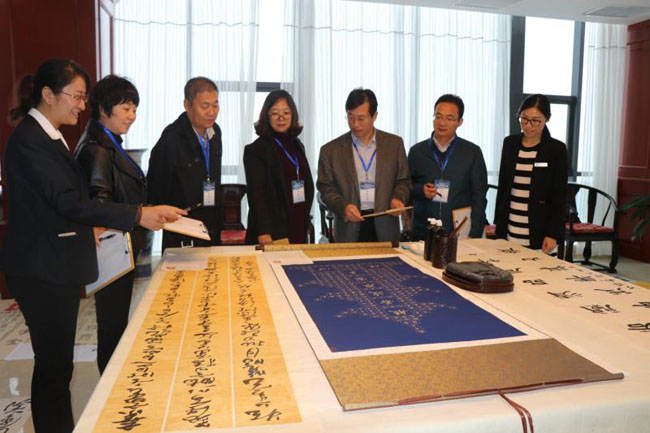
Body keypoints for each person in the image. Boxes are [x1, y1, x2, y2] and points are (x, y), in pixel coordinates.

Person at [0, 59, 185, 433]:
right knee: (54, 368)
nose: (82, 105)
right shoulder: (31, 140)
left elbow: (64, 202)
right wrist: (138, 214)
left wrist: (98, 223)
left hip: (56, 263)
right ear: (48, 94)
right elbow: (67, 201)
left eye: (84, 97)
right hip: (43, 269)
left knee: (57, 366)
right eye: (77, 96)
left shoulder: (51, 136)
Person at [73, 75, 147, 374]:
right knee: (112, 327)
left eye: (134, 109)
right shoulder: (97, 148)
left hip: (120, 247)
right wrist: (142, 213)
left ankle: (114, 381)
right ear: (104, 108)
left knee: (115, 325)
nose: (132, 116)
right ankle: (111, 386)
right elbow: (98, 207)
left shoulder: (109, 141)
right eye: (125, 109)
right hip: (111, 249)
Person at [317, 88, 410, 242]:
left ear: (374, 116)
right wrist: (343, 207)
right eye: (350, 117)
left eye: (361, 118)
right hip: (349, 225)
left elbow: (403, 180)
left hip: (385, 221)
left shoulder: (394, 144)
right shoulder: (331, 150)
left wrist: (398, 198)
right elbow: (326, 188)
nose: (355, 124)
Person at [147, 77, 223, 251]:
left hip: (210, 221)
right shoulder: (171, 140)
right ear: (187, 105)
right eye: (205, 106)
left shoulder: (215, 132)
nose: (212, 112)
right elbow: (156, 189)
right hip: (182, 227)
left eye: (215, 105)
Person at [494, 93, 568, 253]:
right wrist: (498, 223)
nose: (528, 126)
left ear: (546, 119)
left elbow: (559, 196)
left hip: (539, 229)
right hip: (510, 224)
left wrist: (553, 234)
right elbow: (503, 187)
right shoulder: (510, 144)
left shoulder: (556, 150)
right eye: (524, 119)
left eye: (535, 121)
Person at [408, 94, 488, 239]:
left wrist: (475, 233)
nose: (442, 123)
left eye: (449, 118)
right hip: (423, 231)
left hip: (458, 231)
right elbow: (405, 186)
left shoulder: (472, 153)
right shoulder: (417, 151)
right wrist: (421, 190)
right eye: (438, 116)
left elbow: (479, 196)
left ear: (460, 122)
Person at [243, 90, 314, 244]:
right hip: (272, 229)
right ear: (266, 116)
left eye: (286, 113)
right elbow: (256, 195)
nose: (281, 118)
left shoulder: (297, 145)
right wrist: (263, 231)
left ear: (293, 115)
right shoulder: (256, 150)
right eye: (275, 113)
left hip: (297, 220)